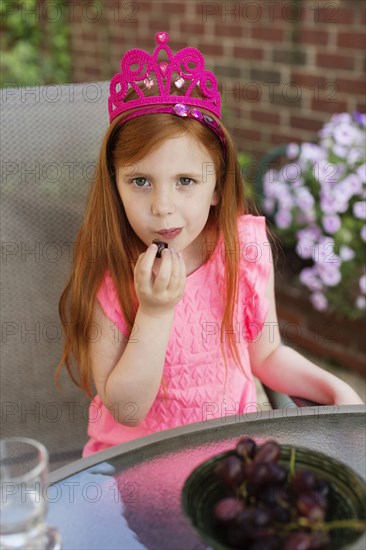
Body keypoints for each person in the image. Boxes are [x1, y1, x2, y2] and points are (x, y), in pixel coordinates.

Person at [57, 32, 363, 457]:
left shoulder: (242, 248)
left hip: (228, 460)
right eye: (140, 181)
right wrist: (155, 311)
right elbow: (126, 409)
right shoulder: (110, 273)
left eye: (186, 182)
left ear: (216, 187)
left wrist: (334, 387)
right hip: (138, 468)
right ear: (115, 186)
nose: (163, 208)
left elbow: (267, 353)